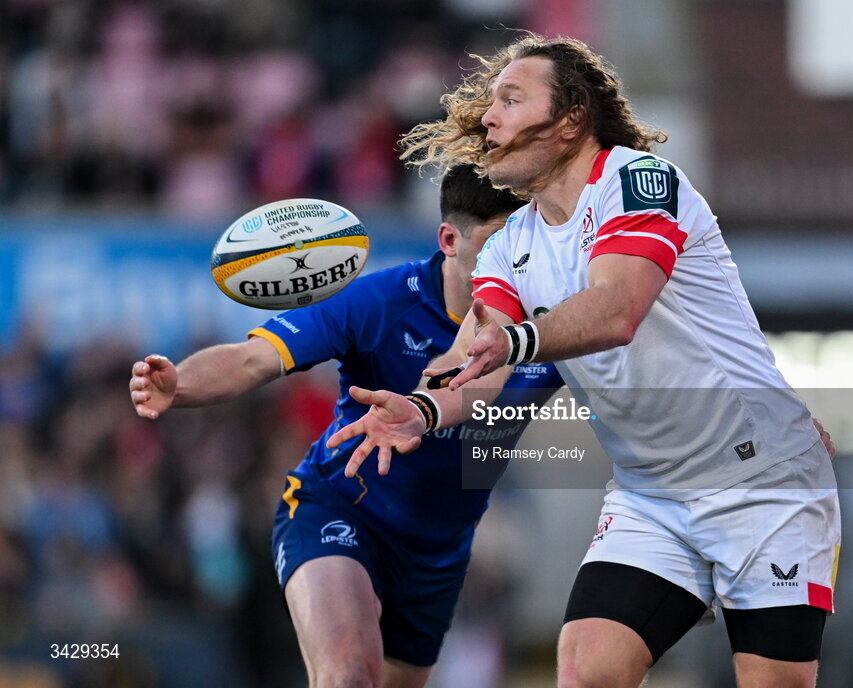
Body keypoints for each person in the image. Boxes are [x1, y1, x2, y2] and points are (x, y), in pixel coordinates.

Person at [330, 34, 841, 688]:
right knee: (586, 668)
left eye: (511, 100)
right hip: (650, 492)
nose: (488, 117)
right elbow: (477, 365)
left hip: (761, 475)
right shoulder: (507, 247)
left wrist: (513, 341)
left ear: (570, 121)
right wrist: (422, 408)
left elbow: (615, 311)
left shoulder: (638, 180)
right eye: (490, 103)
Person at [128, 165, 563, 688]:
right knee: (349, 676)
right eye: (498, 243)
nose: (517, 261)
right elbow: (252, 360)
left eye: (529, 242)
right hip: (338, 511)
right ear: (449, 239)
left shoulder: (550, 327)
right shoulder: (380, 302)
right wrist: (182, 384)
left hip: (438, 552)